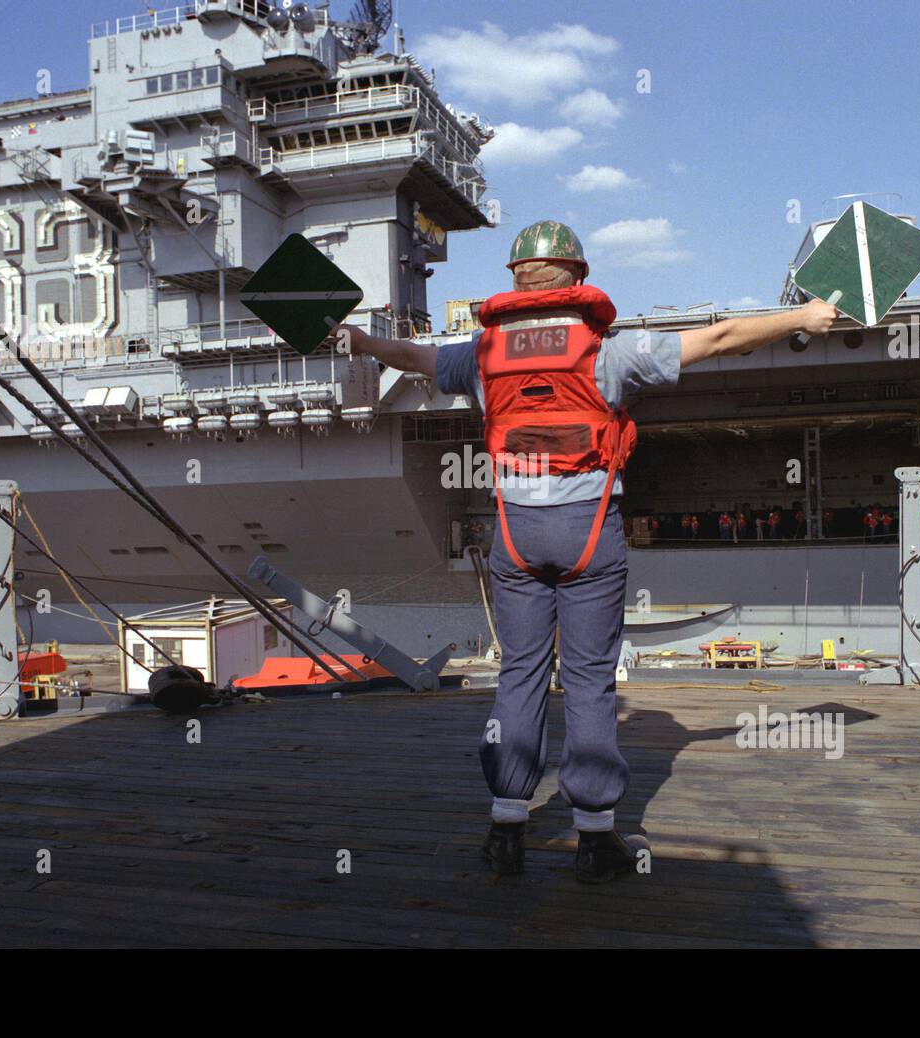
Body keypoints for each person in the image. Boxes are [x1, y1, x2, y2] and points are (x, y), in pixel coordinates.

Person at [336, 220, 836, 882]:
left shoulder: (479, 356)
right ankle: (596, 838)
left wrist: (360, 339)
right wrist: (804, 314)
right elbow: (718, 339)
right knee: (592, 680)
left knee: (519, 674)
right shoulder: (609, 354)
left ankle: (506, 829)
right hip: (590, 531)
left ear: (516, 279)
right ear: (577, 278)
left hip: (514, 535)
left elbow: (411, 358)